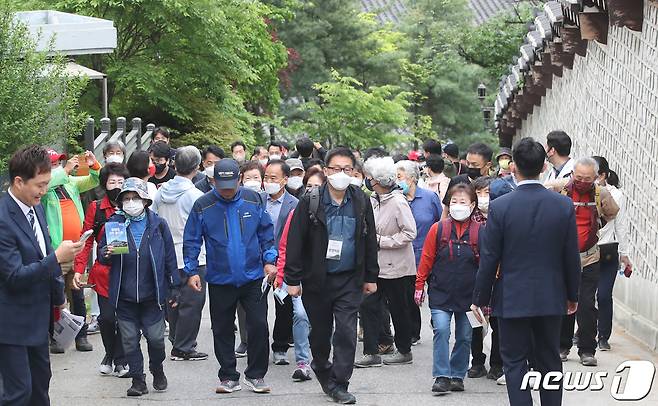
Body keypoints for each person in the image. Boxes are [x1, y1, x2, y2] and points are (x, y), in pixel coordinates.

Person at [471, 137, 582, 406]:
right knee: (549, 361)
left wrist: (480, 298)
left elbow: (490, 257)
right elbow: (570, 256)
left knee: (515, 363)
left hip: (512, 298)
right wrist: (572, 295)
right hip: (551, 296)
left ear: (513, 168)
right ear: (544, 166)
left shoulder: (500, 207)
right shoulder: (563, 205)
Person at [284, 147, 379, 404]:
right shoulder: (310, 201)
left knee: (347, 332)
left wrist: (371, 276)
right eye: (336, 169)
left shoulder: (360, 200)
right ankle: (322, 366)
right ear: (326, 171)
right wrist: (292, 280)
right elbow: (295, 241)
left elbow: (369, 239)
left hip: (349, 278)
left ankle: (340, 383)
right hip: (318, 279)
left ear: (354, 172)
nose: (341, 173)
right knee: (320, 334)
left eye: (347, 169)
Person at [183, 159, 277, 394]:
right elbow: (192, 239)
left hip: (253, 276)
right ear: (213, 181)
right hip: (219, 278)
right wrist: (191, 270)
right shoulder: (203, 205)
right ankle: (228, 376)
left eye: (230, 184)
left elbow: (266, 232)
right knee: (222, 328)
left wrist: (269, 260)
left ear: (239, 180)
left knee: (258, 326)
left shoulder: (253, 199)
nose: (226, 190)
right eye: (221, 184)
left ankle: (256, 375)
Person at [0, 145, 83, 406]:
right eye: (39, 185)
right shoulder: (3, 218)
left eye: (47, 183)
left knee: (40, 388)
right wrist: (56, 258)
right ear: (18, 181)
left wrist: (60, 300)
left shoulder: (34, 207)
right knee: (18, 393)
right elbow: (14, 276)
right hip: (11, 322)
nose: (44, 191)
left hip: (39, 317)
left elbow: (44, 251)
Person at [98, 177, 180, 397]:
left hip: (152, 295)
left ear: (145, 200)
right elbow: (103, 256)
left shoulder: (158, 224)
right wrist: (105, 252)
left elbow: (170, 257)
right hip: (124, 297)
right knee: (129, 340)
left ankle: (157, 368)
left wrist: (174, 286)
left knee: (155, 338)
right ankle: (138, 380)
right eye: (126, 198)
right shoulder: (114, 224)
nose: (131, 202)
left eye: (135, 198)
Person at [546, 157, 619, 366]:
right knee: (564, 302)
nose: (582, 181)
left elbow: (612, 213)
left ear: (595, 178)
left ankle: (587, 350)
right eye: (578, 177)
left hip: (590, 257)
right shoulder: (559, 190)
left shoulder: (601, 193)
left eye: (587, 178)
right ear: (572, 175)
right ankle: (562, 345)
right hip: (562, 258)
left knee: (586, 304)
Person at [415, 183, 482, 394]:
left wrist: (485, 294)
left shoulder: (481, 231)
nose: (458, 206)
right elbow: (426, 258)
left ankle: (457, 375)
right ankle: (441, 376)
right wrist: (419, 285)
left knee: (464, 336)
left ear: (472, 206)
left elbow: (489, 264)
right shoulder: (439, 228)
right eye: (454, 201)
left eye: (463, 202)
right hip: (440, 291)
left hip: (470, 296)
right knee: (441, 330)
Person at [355, 157, 417, 368]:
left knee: (399, 309)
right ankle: (371, 351)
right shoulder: (371, 199)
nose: (367, 181)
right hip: (376, 266)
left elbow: (410, 233)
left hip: (398, 268)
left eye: (369, 178)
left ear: (378, 181)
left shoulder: (398, 202)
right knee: (368, 306)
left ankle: (404, 350)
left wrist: (382, 241)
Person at [73, 163, 131, 377]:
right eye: (112, 182)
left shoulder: (134, 205)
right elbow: (85, 241)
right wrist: (79, 269)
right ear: (104, 184)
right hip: (105, 272)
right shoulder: (96, 208)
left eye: (121, 182)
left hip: (128, 271)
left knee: (125, 319)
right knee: (107, 318)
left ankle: (120, 359)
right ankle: (110, 353)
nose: (117, 186)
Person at [151, 146, 208, 362]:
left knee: (173, 299)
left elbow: (154, 219)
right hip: (192, 255)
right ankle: (184, 346)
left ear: (174, 164)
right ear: (197, 166)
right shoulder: (196, 196)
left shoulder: (162, 192)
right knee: (193, 302)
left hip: (167, 253)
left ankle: (176, 339)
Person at [42, 149, 101, 354]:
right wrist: (65, 170)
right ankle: (56, 337)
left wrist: (93, 164)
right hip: (56, 251)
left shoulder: (70, 183)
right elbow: (49, 182)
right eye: (53, 163)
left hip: (76, 248)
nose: (58, 165)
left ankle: (81, 336)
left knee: (77, 294)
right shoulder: (44, 188)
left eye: (60, 162)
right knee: (55, 296)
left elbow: (95, 180)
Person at [396, 159, 442, 344]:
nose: (397, 181)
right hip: (406, 257)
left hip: (431, 255)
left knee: (436, 293)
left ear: (412, 178)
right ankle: (413, 331)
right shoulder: (396, 199)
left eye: (399, 177)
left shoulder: (430, 197)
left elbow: (440, 223)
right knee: (409, 297)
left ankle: (438, 319)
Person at [592, 156, 632, 351]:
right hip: (586, 251)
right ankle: (584, 333)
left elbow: (621, 225)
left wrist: (624, 254)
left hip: (608, 249)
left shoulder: (616, 195)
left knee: (604, 295)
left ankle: (603, 336)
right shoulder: (580, 194)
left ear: (603, 175)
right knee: (586, 295)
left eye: (595, 175)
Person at [466, 176, 503, 381]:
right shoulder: (470, 219)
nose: (483, 198)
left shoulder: (502, 216)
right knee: (475, 323)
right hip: (475, 277)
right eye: (478, 193)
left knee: (497, 322)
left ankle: (497, 363)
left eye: (487, 193)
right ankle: (477, 362)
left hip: (498, 278)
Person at [264, 160, 299, 366]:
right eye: (266, 177)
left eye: (273, 178)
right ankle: (255, 345)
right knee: (255, 306)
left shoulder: (295, 204)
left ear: (285, 180)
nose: (269, 182)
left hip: (284, 261)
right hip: (259, 261)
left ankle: (280, 347)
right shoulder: (257, 200)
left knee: (283, 307)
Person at [441, 143, 493, 211]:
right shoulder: (457, 181)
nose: (470, 167)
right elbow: (446, 210)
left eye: (475, 165)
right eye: (468, 163)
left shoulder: (494, 185)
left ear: (488, 165)